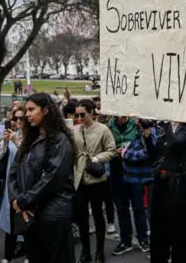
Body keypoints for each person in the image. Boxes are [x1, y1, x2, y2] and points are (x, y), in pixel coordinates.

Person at [8, 93, 76, 263]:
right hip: (29, 216)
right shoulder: (29, 141)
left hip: (53, 214)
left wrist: (25, 201)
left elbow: (53, 178)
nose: (27, 114)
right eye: (27, 110)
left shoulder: (60, 141)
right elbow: (13, 173)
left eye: (32, 109)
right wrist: (17, 201)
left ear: (46, 110)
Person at [73, 99, 117, 263]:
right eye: (77, 114)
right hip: (79, 180)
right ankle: (85, 253)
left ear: (91, 112)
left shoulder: (103, 130)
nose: (79, 117)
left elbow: (112, 151)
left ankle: (99, 251)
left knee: (98, 215)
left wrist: (97, 158)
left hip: (97, 180)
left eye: (82, 114)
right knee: (82, 218)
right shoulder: (75, 129)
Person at [145, 120, 186, 262]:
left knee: (178, 226)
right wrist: (147, 135)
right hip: (161, 182)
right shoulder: (163, 129)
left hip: (179, 183)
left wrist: (170, 126)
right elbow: (154, 155)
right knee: (159, 224)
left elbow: (175, 144)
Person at [108, 116, 149, 256]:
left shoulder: (137, 126)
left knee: (139, 208)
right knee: (121, 209)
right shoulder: (108, 127)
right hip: (116, 173)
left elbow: (146, 149)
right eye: (117, 114)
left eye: (123, 113)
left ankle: (143, 238)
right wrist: (113, 151)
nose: (120, 117)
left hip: (134, 173)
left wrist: (128, 153)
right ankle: (126, 241)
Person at [0, 105, 25, 263]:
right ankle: (8, 256)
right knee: (10, 219)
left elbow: (28, 159)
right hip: (11, 183)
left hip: (26, 184)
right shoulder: (13, 135)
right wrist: (5, 142)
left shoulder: (34, 137)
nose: (18, 121)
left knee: (26, 219)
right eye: (15, 118)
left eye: (21, 118)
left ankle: (29, 254)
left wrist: (16, 142)